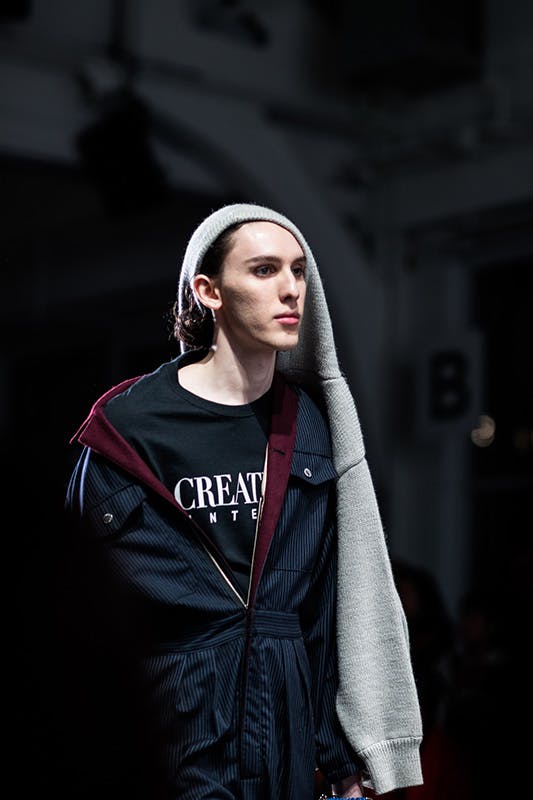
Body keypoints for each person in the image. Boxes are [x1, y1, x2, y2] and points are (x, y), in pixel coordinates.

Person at [64, 203, 423, 800]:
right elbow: (76, 609)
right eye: (263, 270)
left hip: (284, 733)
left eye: (298, 270)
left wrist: (344, 763)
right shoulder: (129, 430)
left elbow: (328, 608)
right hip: (173, 725)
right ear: (208, 291)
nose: (291, 289)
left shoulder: (311, 428)